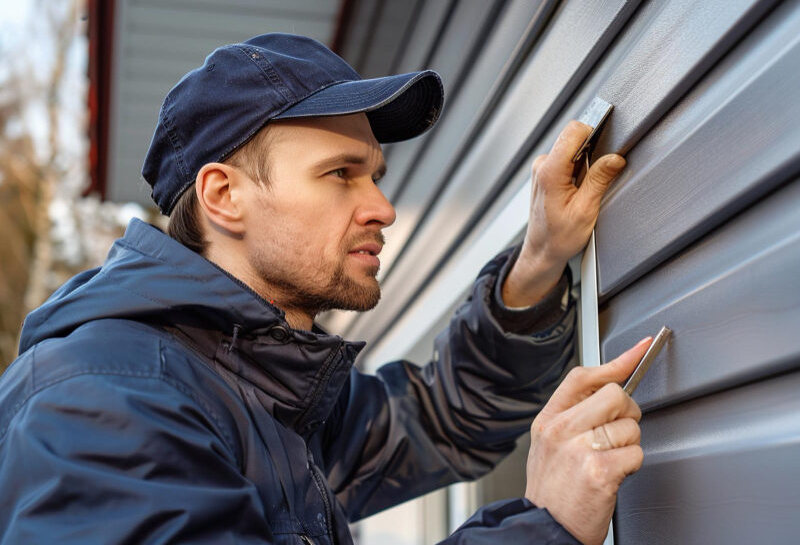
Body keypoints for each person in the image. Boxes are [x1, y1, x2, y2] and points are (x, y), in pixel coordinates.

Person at [0, 34, 647, 544]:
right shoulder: (109, 405)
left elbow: (443, 422)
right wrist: (544, 531)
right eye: (341, 173)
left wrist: (537, 262)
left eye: (375, 176)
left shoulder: (254, 386)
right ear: (224, 196)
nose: (384, 208)